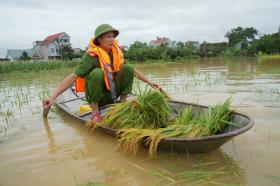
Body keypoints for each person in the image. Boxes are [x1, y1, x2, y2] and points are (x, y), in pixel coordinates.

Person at [42, 24, 162, 122]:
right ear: (99, 39)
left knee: (128, 67)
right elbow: (73, 76)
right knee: (97, 73)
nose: (112, 40)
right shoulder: (91, 56)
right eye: (108, 37)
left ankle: (122, 105)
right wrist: (53, 97)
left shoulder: (116, 52)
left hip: (112, 94)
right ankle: (95, 113)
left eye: (113, 37)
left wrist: (150, 82)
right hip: (97, 98)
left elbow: (133, 71)